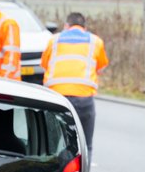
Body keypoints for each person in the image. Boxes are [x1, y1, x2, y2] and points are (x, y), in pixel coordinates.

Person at [41, 12, 108, 160]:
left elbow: (44, 65)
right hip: (84, 98)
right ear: (85, 27)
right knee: (85, 145)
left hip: (57, 98)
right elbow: (101, 68)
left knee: (55, 146)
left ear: (66, 26)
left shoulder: (54, 40)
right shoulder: (95, 41)